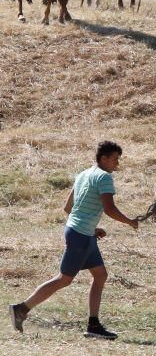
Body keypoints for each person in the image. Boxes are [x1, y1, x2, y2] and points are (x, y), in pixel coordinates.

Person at [9, 141, 139, 340]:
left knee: (100, 275)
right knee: (64, 279)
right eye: (114, 159)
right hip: (80, 235)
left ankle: (93, 325)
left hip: (81, 232)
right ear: (103, 158)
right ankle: (21, 309)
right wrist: (130, 221)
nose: (117, 164)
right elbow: (109, 209)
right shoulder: (104, 177)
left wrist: (92, 228)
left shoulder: (83, 174)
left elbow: (68, 207)